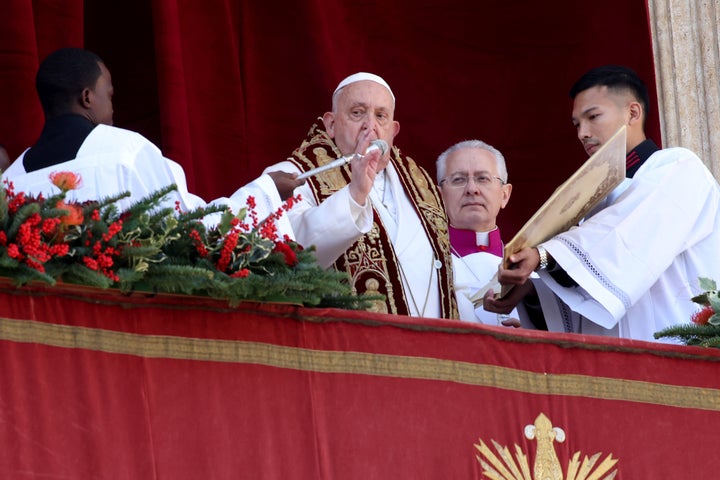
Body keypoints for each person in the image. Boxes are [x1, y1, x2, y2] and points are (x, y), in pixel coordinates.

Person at [484, 64, 720, 342]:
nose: (582, 132)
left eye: (593, 117)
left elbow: (623, 241)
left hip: (675, 347)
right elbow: (595, 292)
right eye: (576, 124)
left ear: (633, 112)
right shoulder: (597, 204)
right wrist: (532, 292)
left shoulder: (678, 166)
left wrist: (544, 256)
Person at [3, 47, 302, 236]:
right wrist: (265, 191)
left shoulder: (11, 180)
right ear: (87, 97)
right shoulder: (124, 151)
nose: (113, 107)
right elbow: (190, 230)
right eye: (109, 95)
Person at [265, 73, 456, 318]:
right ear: (331, 124)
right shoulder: (293, 177)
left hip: (433, 347)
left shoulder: (422, 185)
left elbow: (445, 270)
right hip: (353, 347)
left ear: (394, 129)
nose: (370, 126)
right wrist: (354, 195)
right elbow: (291, 254)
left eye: (380, 116)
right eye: (357, 113)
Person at [436, 139, 523, 326]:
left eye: (483, 178)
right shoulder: (427, 267)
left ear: (504, 195)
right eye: (459, 179)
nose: (472, 189)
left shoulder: (528, 268)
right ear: (440, 197)